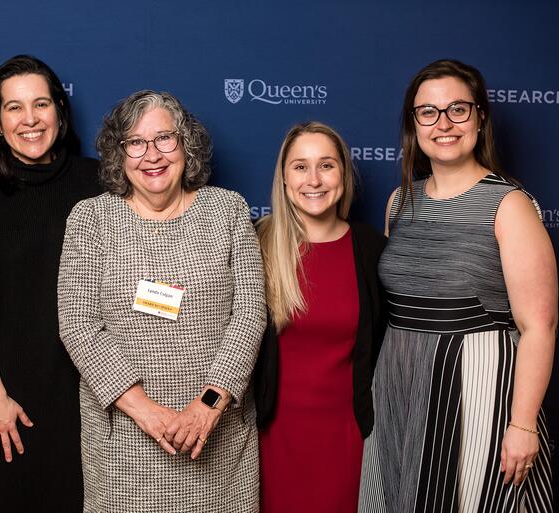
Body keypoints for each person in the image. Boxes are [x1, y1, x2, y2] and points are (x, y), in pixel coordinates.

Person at [358, 59, 556, 513]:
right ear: (414, 124)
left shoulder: (509, 205)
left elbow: (540, 325)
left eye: (457, 110)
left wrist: (523, 423)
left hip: (478, 386)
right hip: (399, 381)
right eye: (428, 112)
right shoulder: (399, 201)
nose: (443, 124)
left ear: (480, 116)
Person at [57, 90, 266, 513]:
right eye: (135, 142)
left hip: (216, 440)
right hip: (125, 447)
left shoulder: (227, 210)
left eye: (164, 138)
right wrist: (148, 412)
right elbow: (77, 324)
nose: (151, 154)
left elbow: (249, 313)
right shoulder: (90, 220)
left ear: (186, 144)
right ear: (120, 153)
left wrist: (208, 405)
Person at [0, 55, 100, 513]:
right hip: (4, 400)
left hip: (87, 400)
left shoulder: (98, 184)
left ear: (60, 112)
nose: (29, 119)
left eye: (41, 104)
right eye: (14, 107)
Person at [254, 122, 386, 513]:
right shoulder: (254, 243)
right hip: (269, 438)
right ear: (283, 177)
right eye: (300, 167)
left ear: (343, 174)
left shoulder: (372, 249)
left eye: (326, 165)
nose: (314, 179)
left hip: (348, 439)